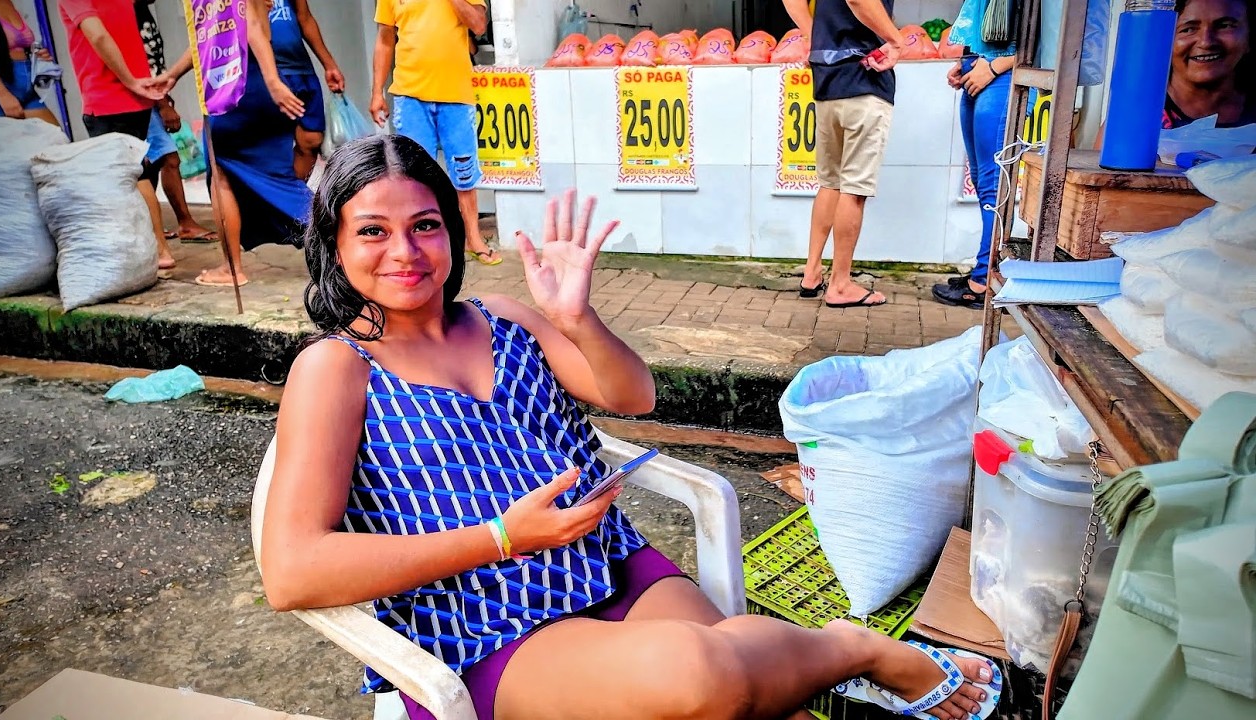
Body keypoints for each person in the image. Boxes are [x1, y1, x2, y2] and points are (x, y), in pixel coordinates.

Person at [260, 132, 1002, 720]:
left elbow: (634, 395)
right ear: (334, 244)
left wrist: (577, 319)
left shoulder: (502, 318)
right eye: (373, 232)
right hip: (485, 626)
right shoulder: (336, 368)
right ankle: (854, 651)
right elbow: (293, 572)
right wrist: (503, 539)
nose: (405, 252)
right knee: (702, 673)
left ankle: (836, 663)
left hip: (607, 564)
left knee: (755, 703)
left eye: (424, 225)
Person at [161, 0, 310, 288]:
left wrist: (273, 81)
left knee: (221, 175)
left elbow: (250, 27)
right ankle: (340, 229)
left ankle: (231, 268)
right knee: (277, 178)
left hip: (237, 90)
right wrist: (172, 76)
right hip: (254, 85)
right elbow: (207, 38)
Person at [784, 0, 903, 309]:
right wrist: (895, 38)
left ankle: (812, 273)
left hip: (826, 80)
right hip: (864, 77)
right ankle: (840, 284)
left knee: (830, 182)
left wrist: (815, 35)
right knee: (853, 188)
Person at [369, 0, 503, 266]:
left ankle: (473, 239)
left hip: (456, 94)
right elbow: (385, 40)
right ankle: (422, 241)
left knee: (464, 170)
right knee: (414, 175)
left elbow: (477, 24)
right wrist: (376, 92)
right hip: (410, 96)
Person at [57, 0, 175, 272]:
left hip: (107, 95)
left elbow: (97, 34)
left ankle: (158, 250)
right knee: (140, 172)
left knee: (129, 178)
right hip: (136, 97)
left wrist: (129, 80)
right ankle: (155, 246)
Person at [930, 0, 1018, 310]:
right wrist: (968, 61)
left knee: (994, 182)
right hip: (979, 66)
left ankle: (984, 281)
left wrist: (994, 65)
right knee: (983, 179)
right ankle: (985, 269)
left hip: (1001, 73)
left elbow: (1047, 39)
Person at [134, 0, 215, 243]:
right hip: (142, 99)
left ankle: (155, 229)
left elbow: (154, 64)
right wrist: (163, 105)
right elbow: (139, 66)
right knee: (168, 159)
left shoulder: (141, 12)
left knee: (154, 162)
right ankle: (183, 224)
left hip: (153, 97)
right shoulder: (127, 14)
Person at [267, 0, 344, 181]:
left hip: (301, 68)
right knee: (272, 146)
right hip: (269, 72)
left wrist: (329, 64)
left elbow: (305, 18)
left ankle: (291, 202)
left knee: (312, 139)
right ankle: (278, 203)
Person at [1164, 0, 1253, 128]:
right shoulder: (1135, 108)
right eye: (1188, 29)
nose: (1206, 42)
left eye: (1224, 26)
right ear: (1164, 38)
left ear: (1248, 37)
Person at [0, 0, 57, 123]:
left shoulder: (6, 2)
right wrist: (2, 94)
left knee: (55, 138)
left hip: (26, 88)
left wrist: (35, 55)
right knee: (5, 140)